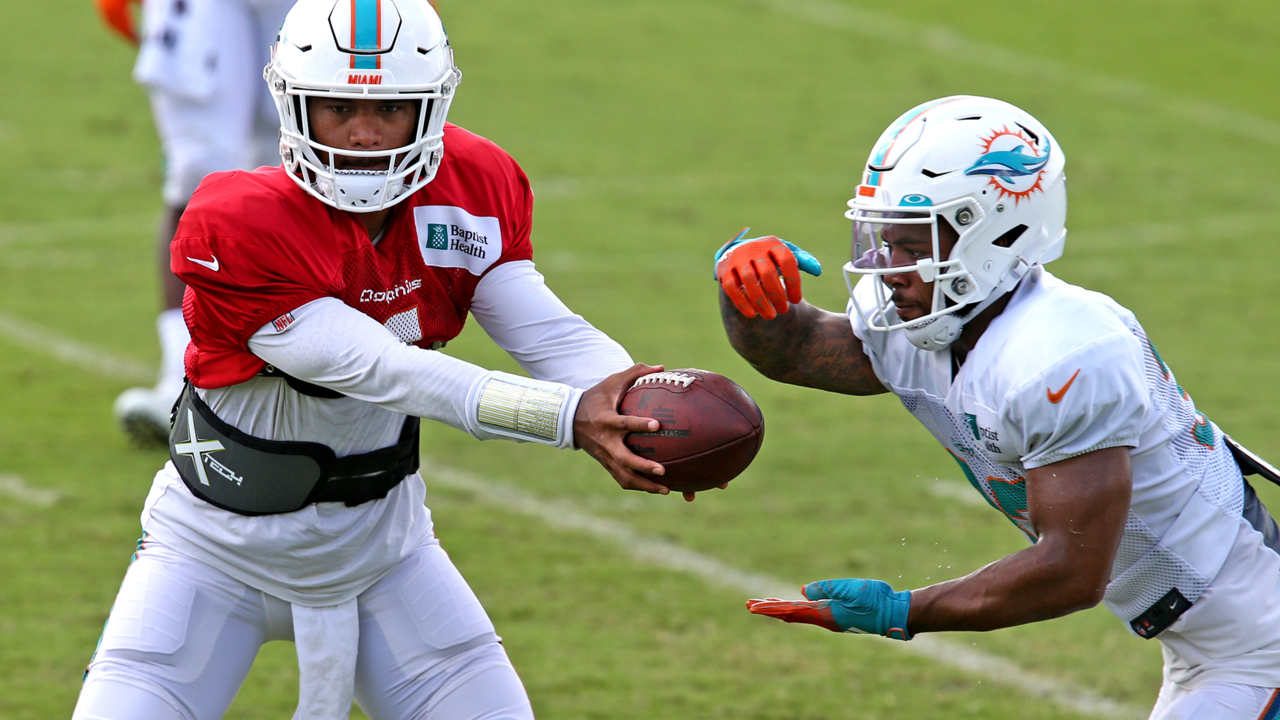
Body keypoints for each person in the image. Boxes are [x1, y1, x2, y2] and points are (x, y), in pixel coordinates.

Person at [73, 0, 676, 718]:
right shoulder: (238, 219)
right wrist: (566, 417)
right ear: (294, 106)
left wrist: (644, 401)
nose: (362, 134)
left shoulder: (473, 181)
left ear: (431, 108)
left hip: (383, 553)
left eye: (389, 108)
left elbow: (548, 332)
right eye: (336, 107)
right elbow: (381, 368)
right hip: (211, 554)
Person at [715, 95, 1280, 719]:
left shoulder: (1065, 353)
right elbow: (795, 351)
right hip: (1207, 643)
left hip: (1259, 645)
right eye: (885, 239)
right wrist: (748, 299)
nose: (890, 269)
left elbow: (1071, 571)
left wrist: (901, 612)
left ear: (996, 231)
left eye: (915, 245)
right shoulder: (927, 321)